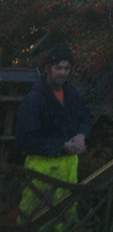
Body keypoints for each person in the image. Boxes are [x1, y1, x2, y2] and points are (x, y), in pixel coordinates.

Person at [16, 43, 91, 225]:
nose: (63, 73)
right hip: (41, 168)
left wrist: (81, 135)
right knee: (34, 218)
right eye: (58, 68)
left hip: (69, 167)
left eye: (67, 68)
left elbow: (85, 116)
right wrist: (61, 146)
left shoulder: (72, 94)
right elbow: (25, 140)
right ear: (48, 68)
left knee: (65, 217)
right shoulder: (34, 100)